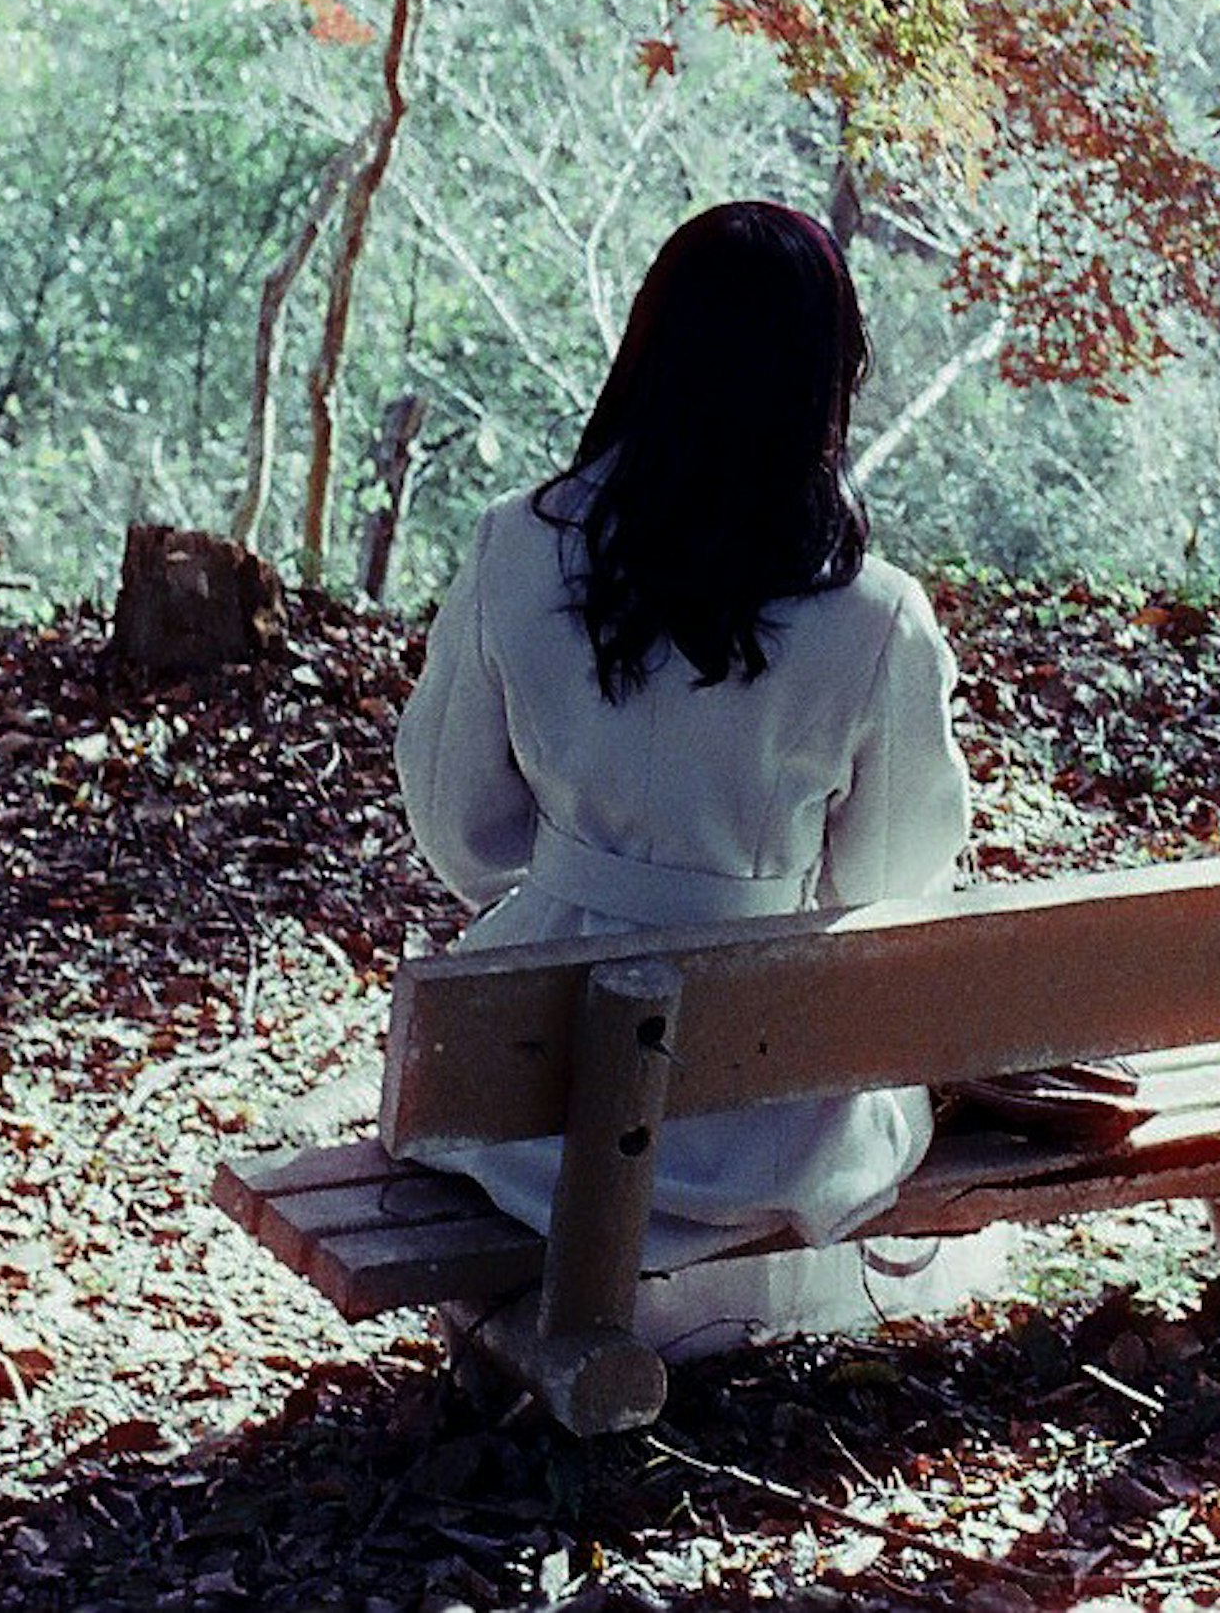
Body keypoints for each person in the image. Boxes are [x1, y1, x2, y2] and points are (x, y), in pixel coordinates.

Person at [393, 199, 976, 1350]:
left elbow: (459, 822)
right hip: (768, 1111)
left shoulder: (517, 544)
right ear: (824, 374)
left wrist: (581, 890)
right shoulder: (874, 616)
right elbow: (898, 875)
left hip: (529, 1096)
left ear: (648, 345)